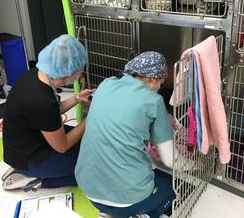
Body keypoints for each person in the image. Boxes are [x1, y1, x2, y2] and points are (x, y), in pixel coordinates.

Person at [75, 51, 175, 218]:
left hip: (88, 190)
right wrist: (191, 167)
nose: (159, 88)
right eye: (161, 83)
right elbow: (169, 159)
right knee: (171, 186)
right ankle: (141, 214)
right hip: (128, 200)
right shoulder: (153, 100)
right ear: (152, 79)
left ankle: (108, 212)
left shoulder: (106, 84)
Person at [2, 34, 93, 191]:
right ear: (66, 70)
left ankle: (29, 169)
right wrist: (90, 119)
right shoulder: (40, 100)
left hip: (30, 143)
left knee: (91, 143)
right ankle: (35, 178)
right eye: (78, 70)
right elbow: (62, 146)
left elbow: (52, 112)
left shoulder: (37, 75)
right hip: (32, 157)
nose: (80, 74)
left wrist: (77, 98)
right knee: (93, 168)